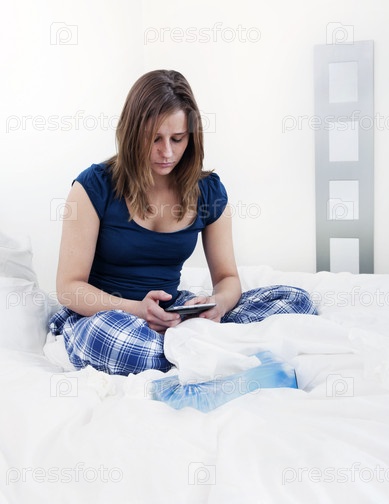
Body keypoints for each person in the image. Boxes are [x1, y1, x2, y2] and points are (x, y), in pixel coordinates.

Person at [49, 69, 317, 376]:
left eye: (177, 139)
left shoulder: (207, 191)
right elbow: (69, 288)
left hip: (171, 316)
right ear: (132, 134)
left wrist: (217, 304)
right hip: (107, 317)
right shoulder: (93, 187)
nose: (167, 152)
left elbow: (228, 278)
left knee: (296, 301)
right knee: (121, 344)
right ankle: (213, 350)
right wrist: (137, 309)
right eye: (154, 139)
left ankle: (194, 350)